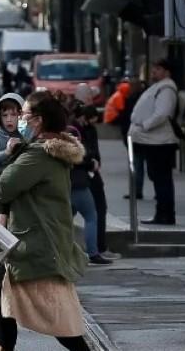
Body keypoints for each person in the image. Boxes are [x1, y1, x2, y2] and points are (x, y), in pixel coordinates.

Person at [0, 95, 92, 351]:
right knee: (2, 307)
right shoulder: (50, 149)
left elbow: (2, 187)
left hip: (34, 244)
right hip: (35, 239)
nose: (19, 119)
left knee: (60, 323)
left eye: (24, 114)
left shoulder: (38, 154)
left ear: (38, 120)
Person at [127, 59, 179, 225]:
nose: (153, 72)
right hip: (154, 141)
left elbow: (163, 113)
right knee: (158, 178)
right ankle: (162, 213)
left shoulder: (167, 88)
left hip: (160, 142)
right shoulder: (161, 87)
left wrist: (145, 125)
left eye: (157, 69)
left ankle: (165, 214)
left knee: (162, 179)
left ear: (166, 72)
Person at [73, 105, 117, 260]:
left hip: (73, 179)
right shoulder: (74, 131)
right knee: (92, 215)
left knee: (66, 218)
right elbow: (79, 155)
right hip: (80, 179)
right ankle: (94, 251)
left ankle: (65, 252)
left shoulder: (77, 129)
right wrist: (91, 162)